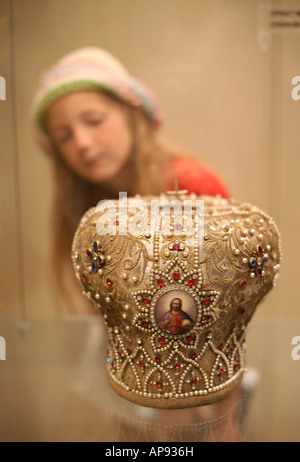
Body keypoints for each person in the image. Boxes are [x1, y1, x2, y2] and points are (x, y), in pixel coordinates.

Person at [31, 47, 230, 313]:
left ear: (132, 113)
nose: (82, 142)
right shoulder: (89, 204)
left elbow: (221, 301)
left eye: (94, 120)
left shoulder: (191, 186)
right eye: (64, 136)